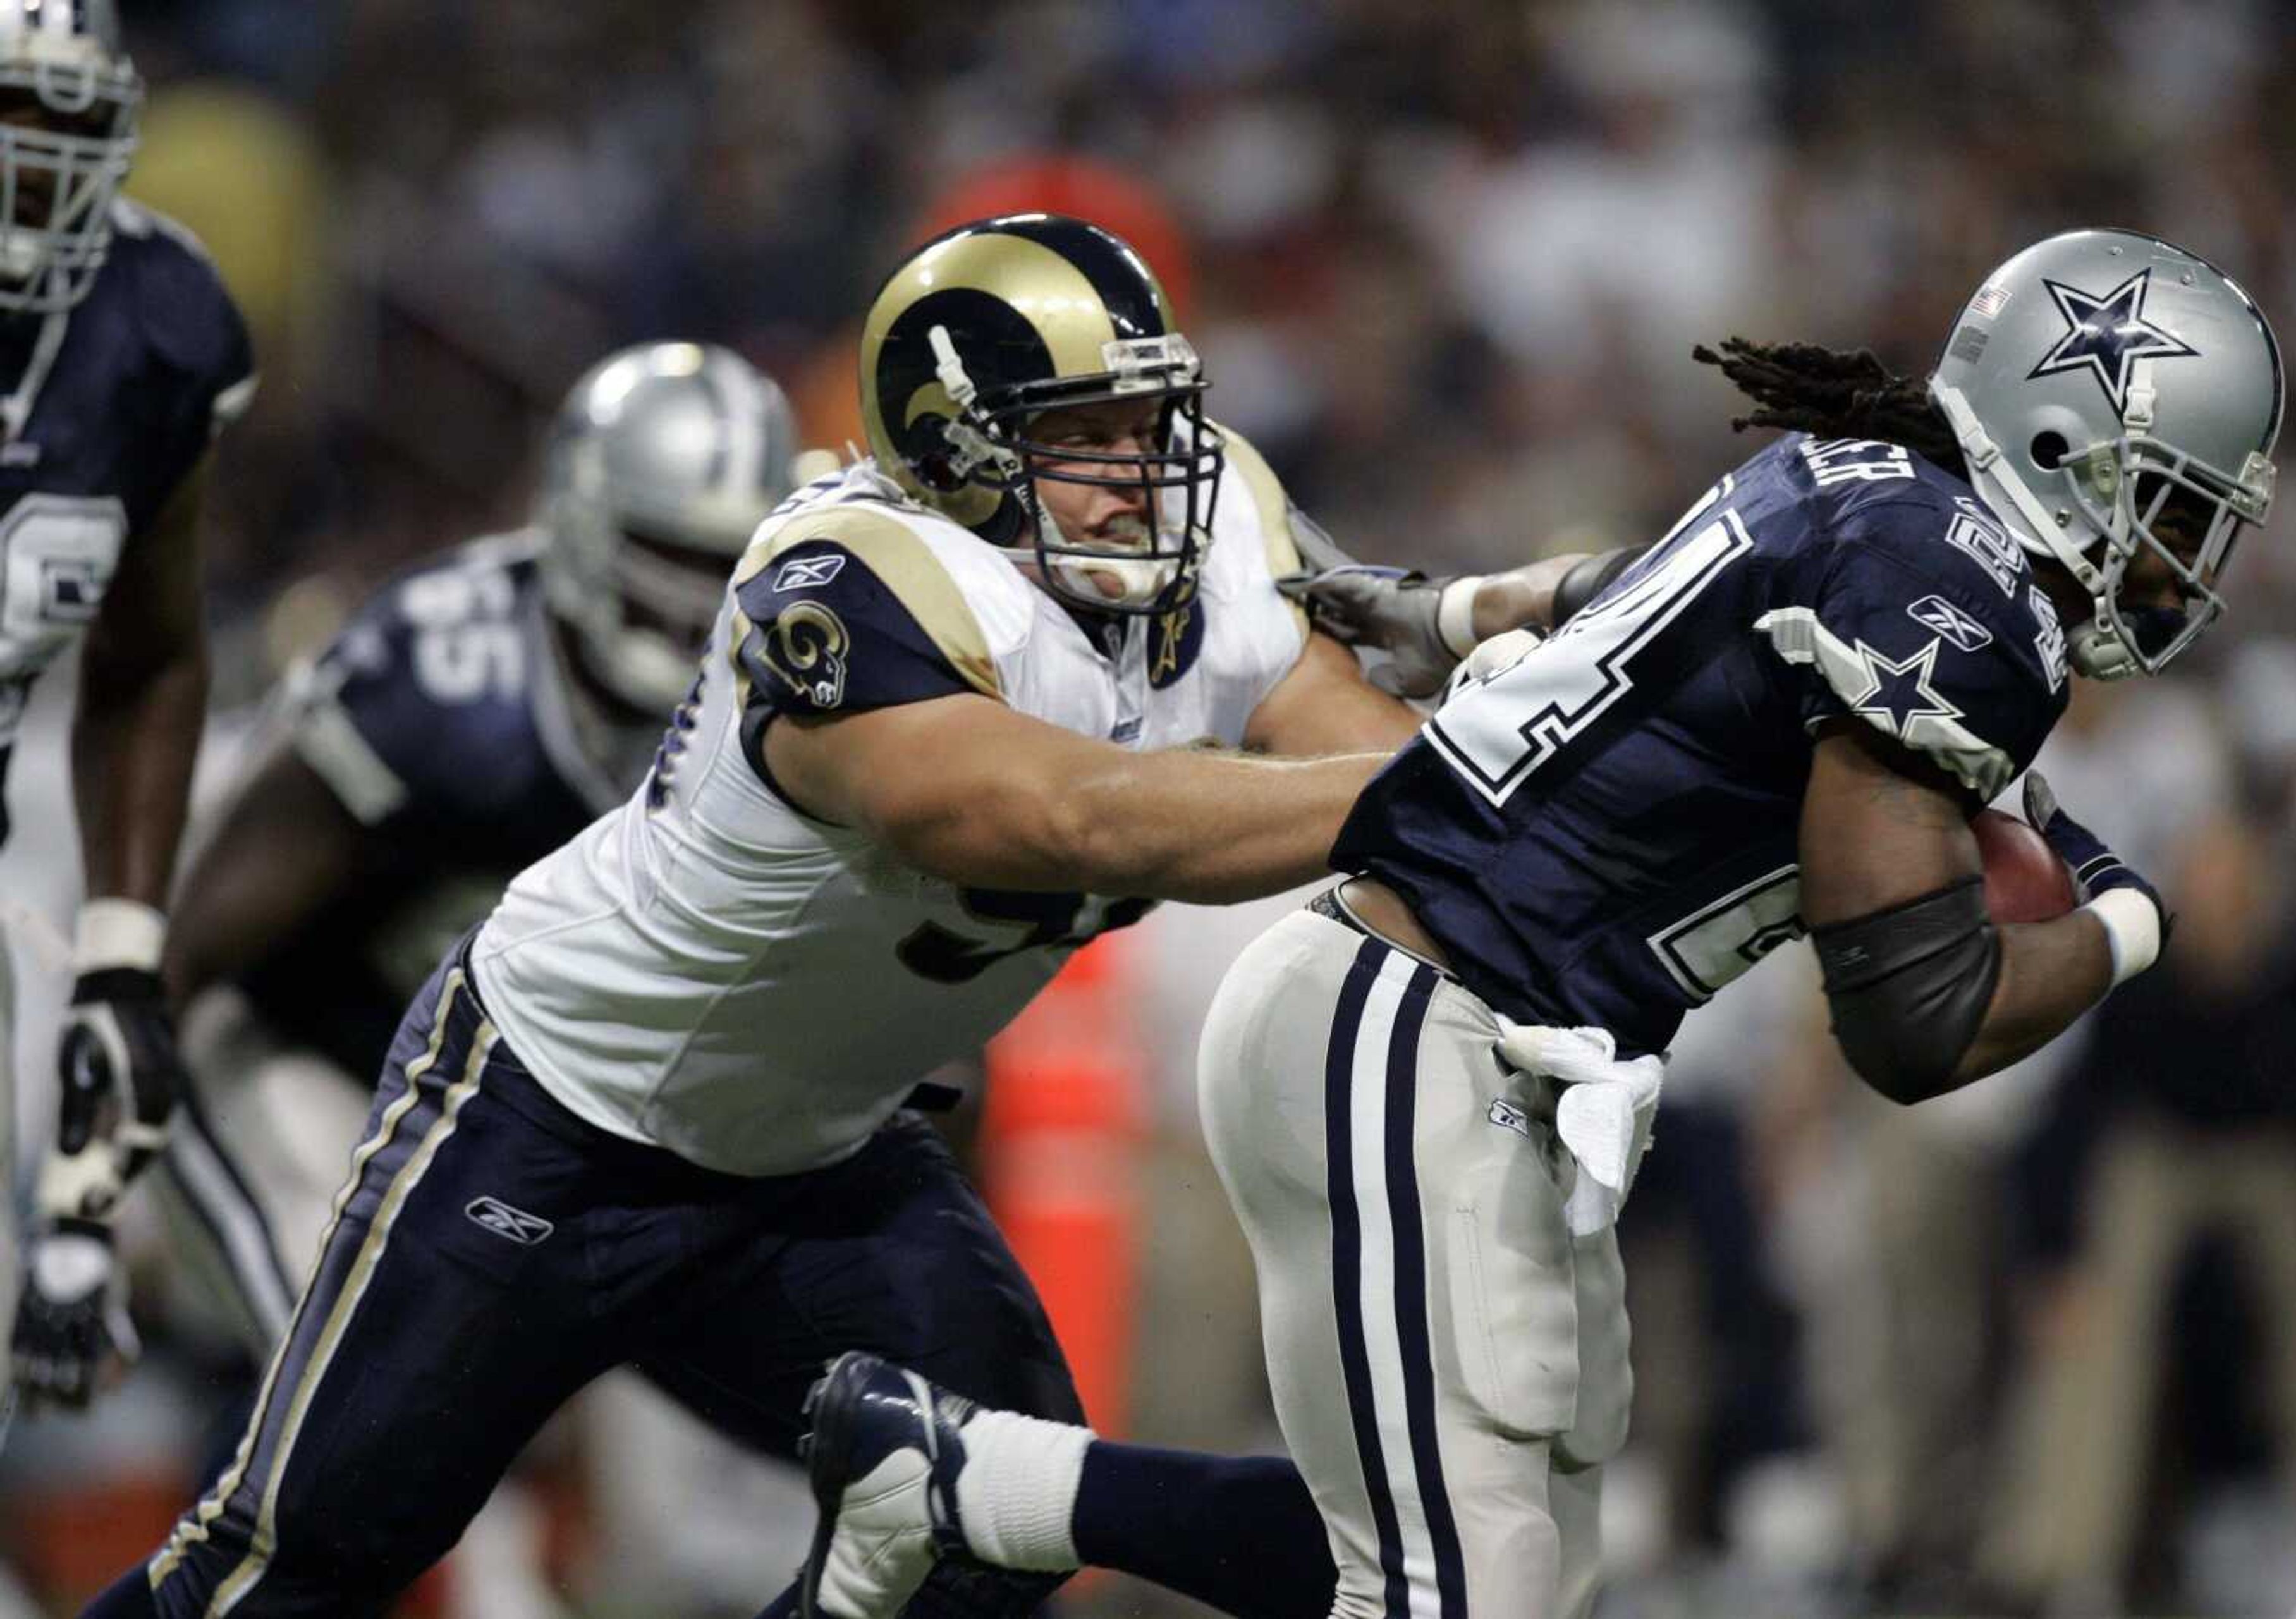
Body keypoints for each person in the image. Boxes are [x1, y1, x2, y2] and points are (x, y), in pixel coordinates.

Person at [800, 226, 2285, 1619]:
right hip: (1417, 1023)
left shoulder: (1869, 492)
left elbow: (1636, 598)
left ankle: (958, 1480)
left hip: (1478, 1047)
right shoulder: (1955, 588)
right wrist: (2131, 923)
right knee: (1454, 1585)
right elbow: (1916, 1017)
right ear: (2063, 441)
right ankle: (952, 1485)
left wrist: (1449, 615)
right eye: (2167, 506)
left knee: (1512, 1564)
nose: (2176, 563)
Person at [86, 212, 1420, 1619]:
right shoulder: (856, 587)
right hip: (560, 1119)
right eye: (1093, 431)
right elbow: (1065, 818)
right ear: (959, 448)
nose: (1146, 470)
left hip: (818, 1152)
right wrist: (1441, 789)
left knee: (991, 1536)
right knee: (294, 1571)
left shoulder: (1206, 553)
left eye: (1158, 418)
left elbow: (1379, 761)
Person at [156, 339, 800, 1351]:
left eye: (721, 566)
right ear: (582, 522)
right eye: (662, 552)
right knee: (353, 1380)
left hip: (530, 1113)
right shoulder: (443, 679)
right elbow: (189, 948)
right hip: (304, 1046)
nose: (689, 599)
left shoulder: (786, 721)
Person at [1, 0, 255, 1412]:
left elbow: (151, 654)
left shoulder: (155, 328)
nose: (28, 162)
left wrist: (116, 954)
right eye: (3, 117)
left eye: (59, 121)